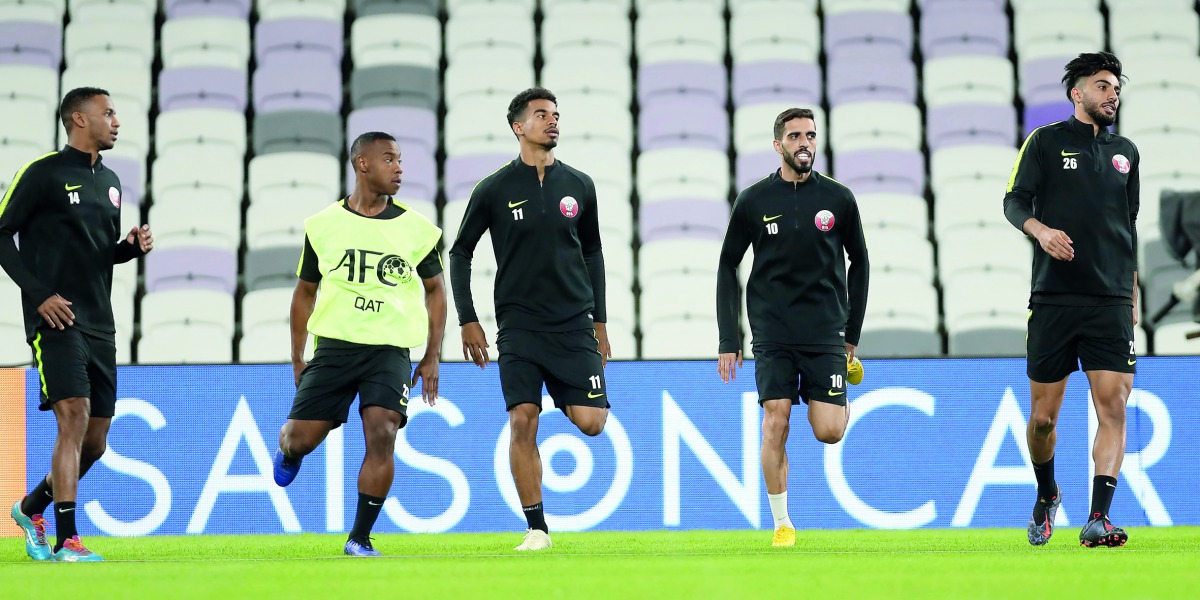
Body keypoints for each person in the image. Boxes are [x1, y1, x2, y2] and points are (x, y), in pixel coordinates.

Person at [449, 87, 610, 551]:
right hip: (518, 327)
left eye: (556, 115)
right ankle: (537, 528)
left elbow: (594, 253)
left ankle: (565, 388)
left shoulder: (580, 185)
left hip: (573, 323)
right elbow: (460, 253)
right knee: (523, 418)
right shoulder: (494, 189)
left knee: (592, 422)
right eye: (542, 115)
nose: (552, 122)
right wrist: (468, 318)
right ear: (519, 127)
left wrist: (600, 320)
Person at [271, 132, 446, 557]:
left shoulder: (417, 230)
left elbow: (436, 291)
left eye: (400, 160)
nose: (400, 168)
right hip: (334, 348)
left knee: (383, 432)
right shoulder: (324, 225)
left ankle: (359, 538)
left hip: (388, 351)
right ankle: (289, 451)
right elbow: (304, 293)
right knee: (300, 439)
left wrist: (432, 354)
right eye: (390, 159)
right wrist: (297, 356)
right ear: (362, 164)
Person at [2, 87, 153, 562]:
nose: (117, 121)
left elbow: (98, 254)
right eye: (108, 113)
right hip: (56, 317)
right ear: (78, 119)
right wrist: (38, 293)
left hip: (99, 324)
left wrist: (128, 248)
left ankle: (30, 509)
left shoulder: (111, 182)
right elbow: (1, 233)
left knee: (96, 443)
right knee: (73, 417)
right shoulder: (42, 173)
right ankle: (68, 539)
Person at [716, 107, 869, 548]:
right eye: (796, 136)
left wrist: (851, 334)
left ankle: (841, 393)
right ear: (778, 144)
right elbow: (728, 263)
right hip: (773, 331)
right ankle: (782, 524)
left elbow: (861, 262)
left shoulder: (839, 199)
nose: (805, 143)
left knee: (828, 431)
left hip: (825, 332)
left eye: (811, 136)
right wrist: (730, 336)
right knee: (775, 420)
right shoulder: (753, 200)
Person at [1003, 51, 1138, 548]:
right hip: (1055, 298)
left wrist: (1133, 286)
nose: (1112, 93)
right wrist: (1039, 231)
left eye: (1115, 86)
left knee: (1115, 405)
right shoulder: (1044, 142)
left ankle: (1098, 518)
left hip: (1109, 299)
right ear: (1077, 93)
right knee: (1043, 418)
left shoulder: (1127, 152)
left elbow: (1129, 225)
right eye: (1102, 86)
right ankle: (1047, 493)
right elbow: (1013, 201)